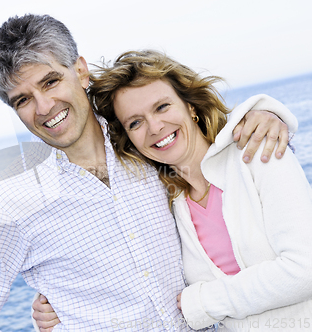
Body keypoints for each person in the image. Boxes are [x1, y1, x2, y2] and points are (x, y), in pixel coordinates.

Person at [0, 14, 292, 331]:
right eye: (22, 100)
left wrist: (265, 113)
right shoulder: (10, 197)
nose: (43, 106)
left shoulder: (142, 135)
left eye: (50, 81)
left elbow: (212, 140)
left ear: (81, 71)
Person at [32, 50, 312, 331]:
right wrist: (63, 304)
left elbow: (305, 270)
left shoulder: (257, 151)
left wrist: (201, 303)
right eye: (135, 123)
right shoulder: (167, 199)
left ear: (190, 105)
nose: (155, 127)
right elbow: (137, 267)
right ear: (129, 138)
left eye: (162, 107)